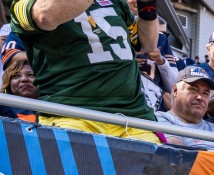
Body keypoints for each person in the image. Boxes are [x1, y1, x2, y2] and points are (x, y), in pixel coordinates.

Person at [7, 0, 161, 143]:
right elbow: (45, 16)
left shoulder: (116, 2)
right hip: (71, 114)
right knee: (76, 170)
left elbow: (146, 45)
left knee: (163, 170)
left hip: (133, 117)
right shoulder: (21, 3)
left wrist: (147, 7)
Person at [155, 66, 214, 157]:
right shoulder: (159, 119)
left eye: (205, 93)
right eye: (193, 89)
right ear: (175, 90)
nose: (200, 97)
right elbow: (180, 159)